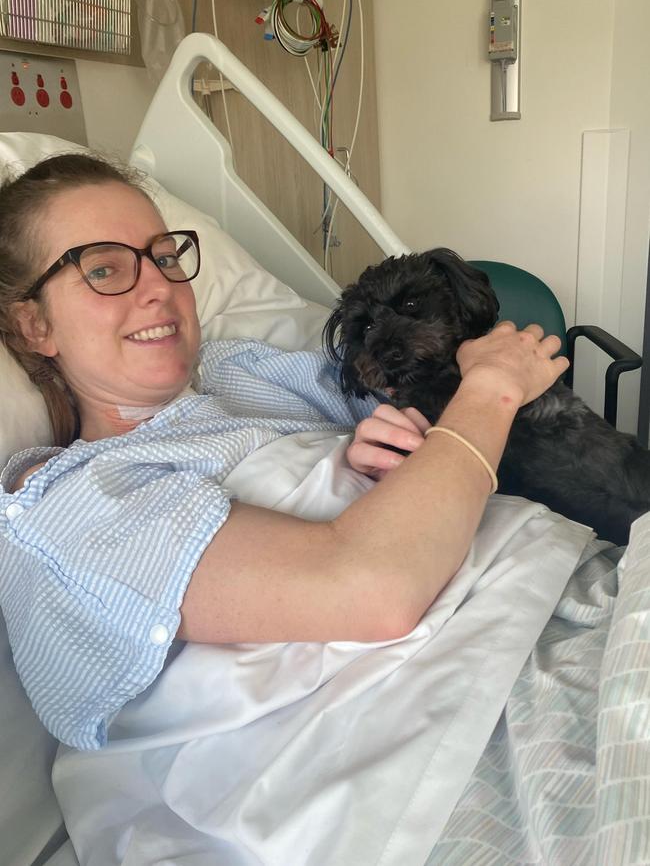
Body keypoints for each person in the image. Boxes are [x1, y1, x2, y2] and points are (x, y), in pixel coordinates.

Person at [0, 153, 568, 750]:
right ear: (34, 325)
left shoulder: (243, 370)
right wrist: (491, 391)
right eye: (104, 269)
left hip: (539, 583)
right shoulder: (68, 501)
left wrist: (370, 448)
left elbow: (412, 414)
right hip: (455, 708)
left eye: (165, 258)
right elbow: (373, 589)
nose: (159, 289)